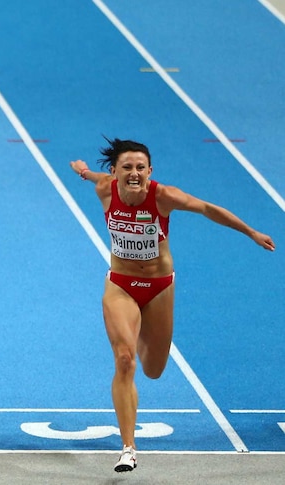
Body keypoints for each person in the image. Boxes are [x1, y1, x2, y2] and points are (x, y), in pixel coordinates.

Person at [70, 138, 274, 473]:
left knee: (153, 369)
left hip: (160, 288)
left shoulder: (163, 197)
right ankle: (128, 448)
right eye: (127, 167)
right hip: (120, 285)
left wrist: (250, 232)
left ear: (150, 171)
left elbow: (208, 209)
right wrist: (84, 172)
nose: (134, 173)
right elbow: (96, 178)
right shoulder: (106, 190)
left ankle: (141, 333)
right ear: (115, 172)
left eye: (140, 167)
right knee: (125, 360)